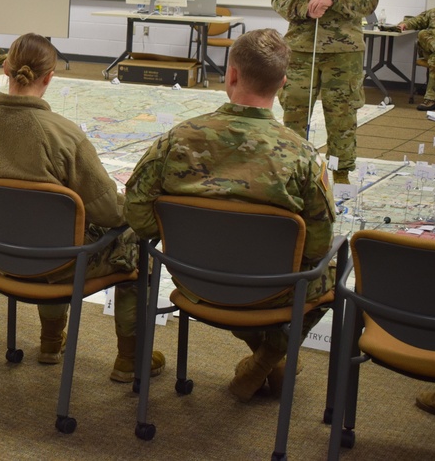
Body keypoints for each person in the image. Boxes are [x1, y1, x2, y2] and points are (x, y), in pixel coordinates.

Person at [125, 28, 335, 403]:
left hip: (194, 282)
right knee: (335, 277)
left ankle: (263, 361)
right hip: (271, 292)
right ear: (283, 84)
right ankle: (269, 359)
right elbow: (317, 247)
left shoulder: (178, 139)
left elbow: (136, 210)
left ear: (232, 74)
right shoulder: (303, 156)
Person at [0, 33, 164, 378]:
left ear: (5, 68)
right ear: (49, 77)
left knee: (46, 230)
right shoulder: (65, 136)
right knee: (133, 243)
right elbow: (110, 213)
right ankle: (130, 359)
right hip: (60, 264)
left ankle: (52, 342)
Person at [270, 0, 381, 184]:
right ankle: (294, 170)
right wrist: (302, 9)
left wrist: (335, 0)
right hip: (301, 49)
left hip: (343, 53)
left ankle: (340, 174)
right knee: (294, 109)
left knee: (341, 114)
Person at [397, 0, 435, 111]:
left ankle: (431, 101)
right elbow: (416, 21)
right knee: (423, 33)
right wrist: (404, 24)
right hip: (429, 46)